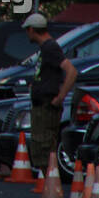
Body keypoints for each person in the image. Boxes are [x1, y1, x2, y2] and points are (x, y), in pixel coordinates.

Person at [23, 12, 77, 174]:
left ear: (32, 29)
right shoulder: (45, 49)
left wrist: (60, 97)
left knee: (46, 150)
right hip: (41, 105)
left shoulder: (50, 47)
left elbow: (71, 71)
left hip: (47, 106)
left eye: (27, 30)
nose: (27, 34)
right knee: (41, 151)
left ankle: (52, 194)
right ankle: (48, 195)